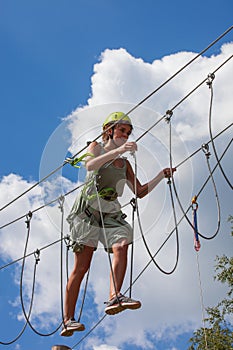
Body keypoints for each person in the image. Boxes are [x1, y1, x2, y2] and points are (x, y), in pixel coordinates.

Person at [61, 112, 176, 337]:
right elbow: (91, 166)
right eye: (122, 130)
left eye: (128, 132)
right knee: (82, 267)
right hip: (87, 213)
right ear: (109, 130)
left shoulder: (124, 165)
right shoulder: (96, 147)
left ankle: (115, 296)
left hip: (110, 214)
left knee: (122, 244)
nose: (126, 135)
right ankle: (67, 320)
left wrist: (160, 176)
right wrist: (118, 150)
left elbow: (140, 192)